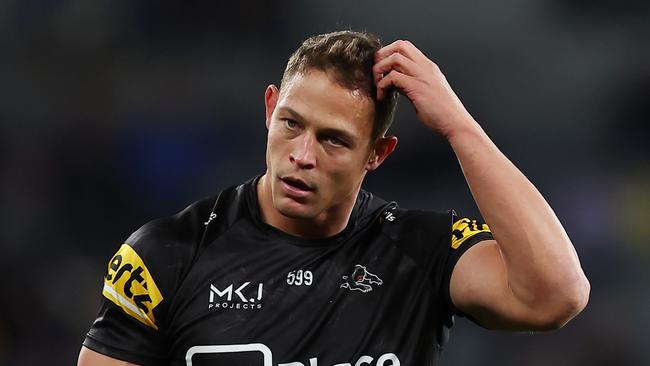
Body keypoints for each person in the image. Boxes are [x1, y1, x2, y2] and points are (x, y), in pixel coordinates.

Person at [78, 31, 590, 366]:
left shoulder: (421, 250)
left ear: (377, 153)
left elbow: (556, 294)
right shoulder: (166, 254)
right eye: (291, 124)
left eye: (334, 140)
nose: (302, 155)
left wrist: (459, 127)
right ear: (270, 107)